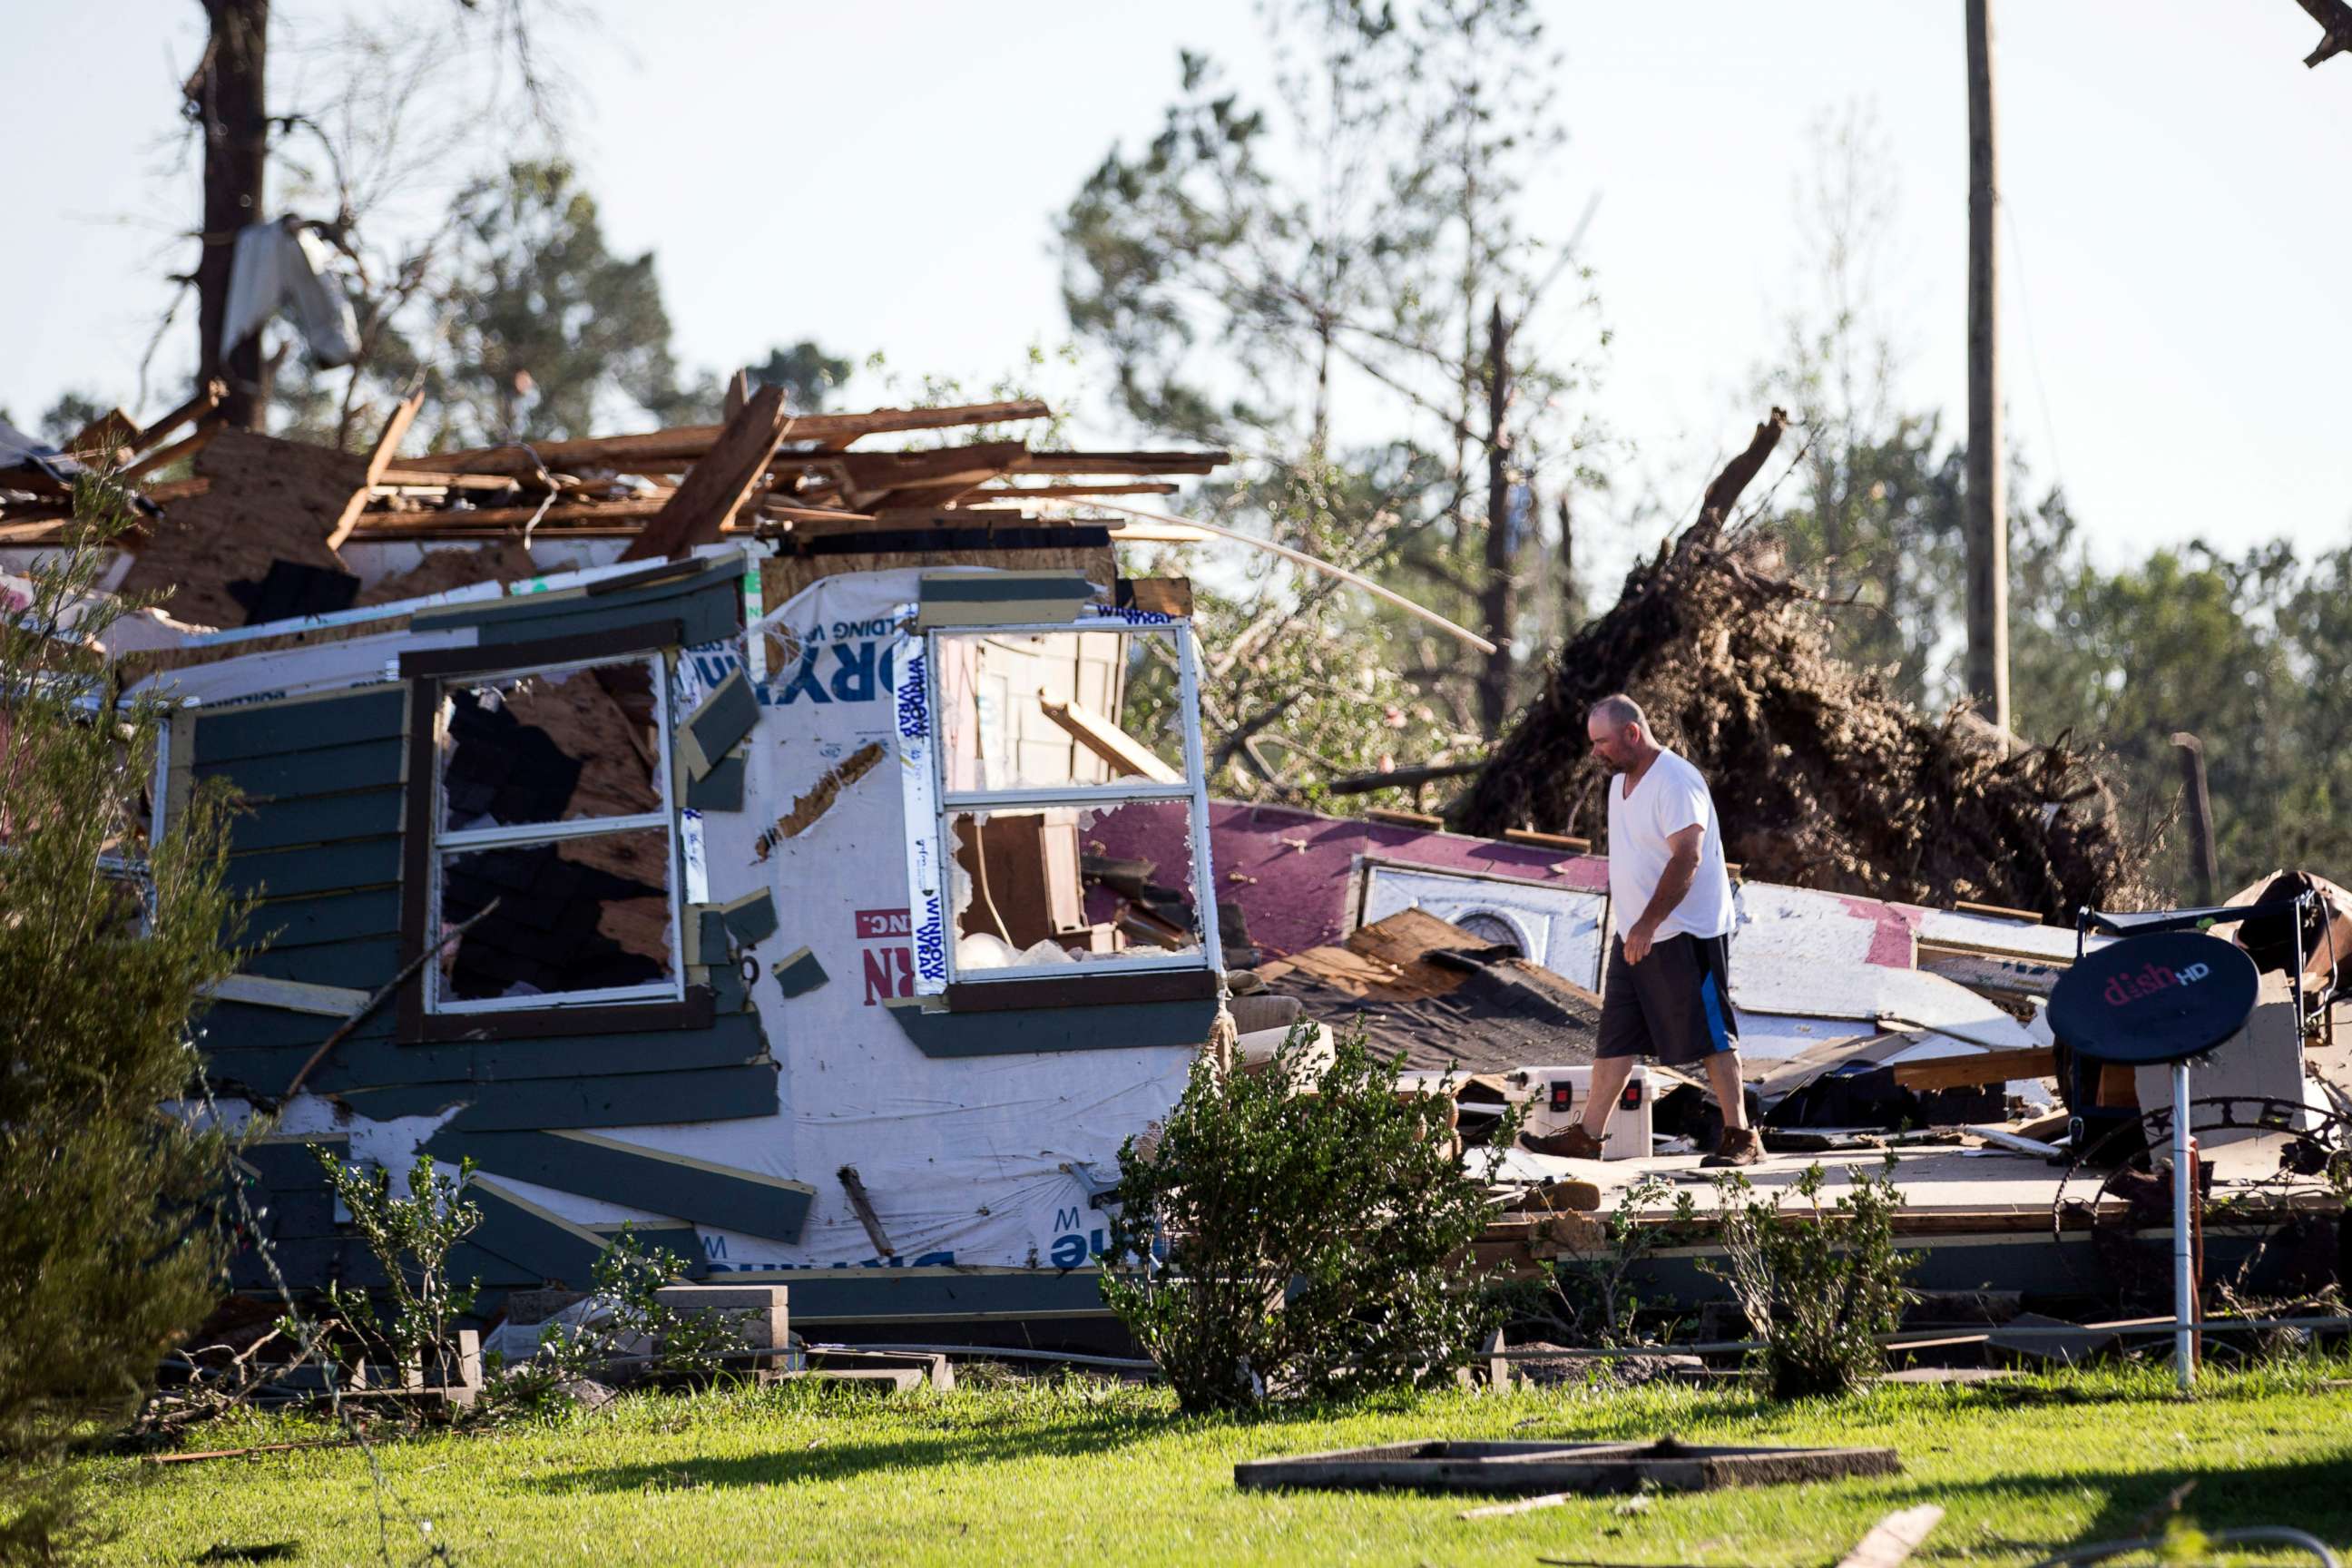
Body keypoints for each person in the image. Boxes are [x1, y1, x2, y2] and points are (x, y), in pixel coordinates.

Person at [1524, 694, 1759, 1166]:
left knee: (1712, 1035)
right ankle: (1588, 1135)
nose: (1596, 753)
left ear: (1633, 733)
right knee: (1616, 1036)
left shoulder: (1675, 781)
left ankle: (1742, 1137)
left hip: (1684, 933)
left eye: (1603, 742)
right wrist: (1633, 924)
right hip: (1634, 933)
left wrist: (1649, 922)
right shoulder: (1619, 785)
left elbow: (1687, 856)